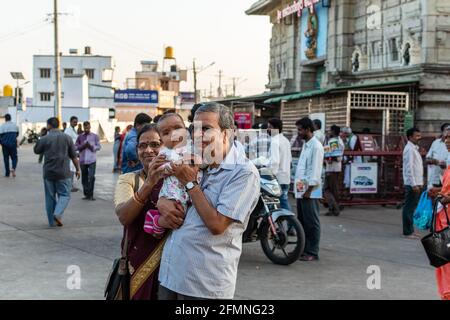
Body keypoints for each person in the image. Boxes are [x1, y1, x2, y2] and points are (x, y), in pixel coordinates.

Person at [157, 103, 260, 300]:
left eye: (206, 128)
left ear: (226, 133)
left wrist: (189, 183)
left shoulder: (243, 172)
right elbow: (168, 188)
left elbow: (217, 225)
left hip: (203, 286)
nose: (197, 135)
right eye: (194, 128)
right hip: (171, 275)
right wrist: (162, 201)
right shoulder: (195, 160)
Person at [114, 124, 168, 300]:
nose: (148, 150)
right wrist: (149, 183)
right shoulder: (128, 179)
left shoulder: (178, 180)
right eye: (142, 145)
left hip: (171, 267)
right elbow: (124, 216)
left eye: (155, 144)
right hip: (138, 266)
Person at [34, 117, 80, 227]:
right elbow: (74, 156)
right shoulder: (67, 138)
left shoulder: (45, 138)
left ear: (49, 125)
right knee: (64, 195)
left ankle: (52, 222)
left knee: (50, 197)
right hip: (63, 172)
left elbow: (36, 150)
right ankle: (58, 213)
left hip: (49, 173)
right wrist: (78, 169)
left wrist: (41, 136)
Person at [294, 117, 324, 261]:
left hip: (310, 191)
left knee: (312, 222)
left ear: (307, 129)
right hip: (302, 189)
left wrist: (308, 191)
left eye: (300, 130)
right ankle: (304, 249)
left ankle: (312, 251)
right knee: (302, 221)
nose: (298, 132)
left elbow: (315, 172)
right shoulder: (306, 145)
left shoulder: (316, 146)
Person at [428, 130, 450, 300]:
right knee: (443, 259)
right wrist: (438, 192)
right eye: (446, 137)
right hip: (443, 217)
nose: (447, 141)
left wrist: (447, 197)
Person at [402, 127, 424, 239]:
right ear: (410, 137)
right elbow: (409, 168)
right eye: (417, 136)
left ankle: (410, 230)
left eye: (420, 136)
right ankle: (407, 232)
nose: (419, 138)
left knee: (412, 207)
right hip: (412, 184)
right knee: (409, 207)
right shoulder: (409, 149)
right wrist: (414, 184)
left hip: (416, 182)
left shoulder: (414, 148)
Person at [267, 118, 292, 211]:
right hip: (285, 177)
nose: (267, 129)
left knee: (279, 203)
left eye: (269, 127)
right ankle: (292, 225)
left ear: (276, 128)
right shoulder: (285, 140)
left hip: (277, 178)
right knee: (282, 202)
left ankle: (292, 224)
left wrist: (271, 177)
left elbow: (274, 162)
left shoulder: (275, 141)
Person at [75, 121, 101, 201]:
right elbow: (75, 147)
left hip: (92, 160)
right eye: (85, 127)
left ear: (90, 127)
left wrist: (91, 146)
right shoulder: (80, 137)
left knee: (91, 176)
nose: (86, 129)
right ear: (83, 127)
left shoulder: (95, 136)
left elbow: (99, 146)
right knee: (84, 178)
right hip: (83, 160)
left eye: (88, 127)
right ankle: (86, 194)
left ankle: (91, 194)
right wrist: (82, 146)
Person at [323, 125, 345, 216]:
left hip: (332, 168)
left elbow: (333, 155)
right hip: (335, 168)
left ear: (333, 132)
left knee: (327, 189)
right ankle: (334, 207)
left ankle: (334, 207)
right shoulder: (339, 140)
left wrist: (327, 158)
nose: (328, 132)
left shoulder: (333, 141)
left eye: (330, 131)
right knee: (332, 189)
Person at [426, 124, 450, 189]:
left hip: (447, 179)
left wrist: (446, 164)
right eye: (446, 131)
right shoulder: (435, 143)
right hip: (435, 178)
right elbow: (427, 159)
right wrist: (434, 161)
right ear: (442, 132)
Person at [64, 116, 80, 192]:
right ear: (70, 122)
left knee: (73, 169)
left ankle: (72, 185)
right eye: (74, 122)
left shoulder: (74, 130)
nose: (75, 123)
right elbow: (65, 142)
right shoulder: (68, 131)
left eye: (76, 122)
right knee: (70, 169)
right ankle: (69, 186)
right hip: (70, 152)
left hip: (75, 151)